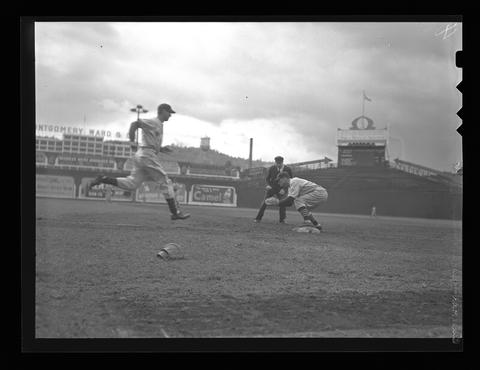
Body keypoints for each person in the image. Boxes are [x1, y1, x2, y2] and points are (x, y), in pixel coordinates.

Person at [88, 103, 190, 220]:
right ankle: (175, 212)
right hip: (147, 155)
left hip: (143, 154)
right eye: (169, 112)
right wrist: (131, 141)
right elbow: (134, 124)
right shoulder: (154, 122)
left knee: (132, 183)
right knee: (165, 182)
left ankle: (103, 179)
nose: (170, 115)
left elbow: (150, 142)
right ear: (162, 111)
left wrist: (161, 149)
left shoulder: (159, 125)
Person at [254, 156, 293, 223]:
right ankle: (258, 218)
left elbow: (290, 180)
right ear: (275, 162)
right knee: (264, 203)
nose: (278, 165)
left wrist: (284, 189)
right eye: (277, 163)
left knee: (282, 204)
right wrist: (268, 185)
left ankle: (282, 220)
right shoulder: (272, 168)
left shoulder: (288, 169)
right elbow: (267, 179)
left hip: (282, 190)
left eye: (279, 163)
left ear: (282, 162)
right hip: (272, 188)